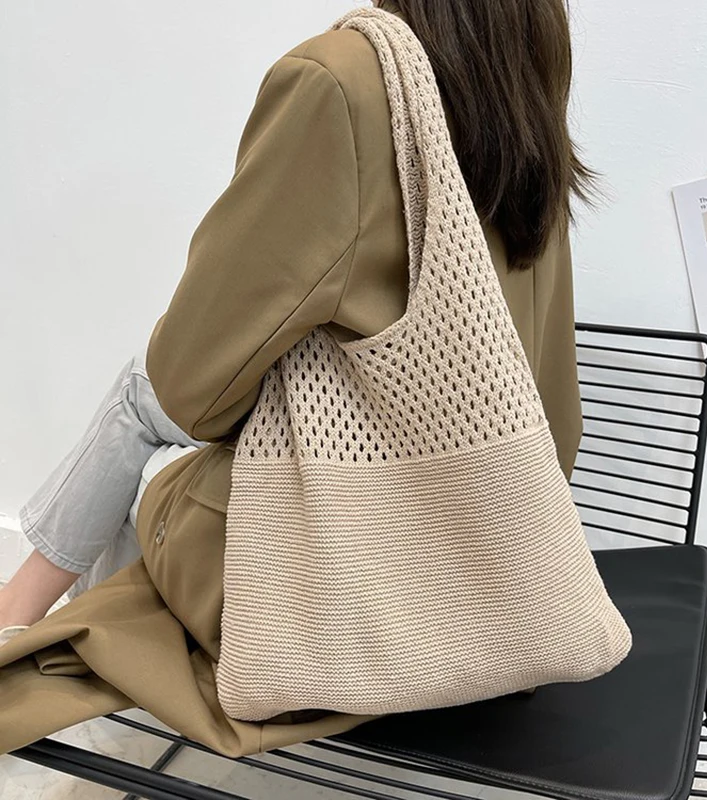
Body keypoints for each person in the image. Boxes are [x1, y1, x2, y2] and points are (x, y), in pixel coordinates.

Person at [0, 0, 590, 755]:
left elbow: (189, 387)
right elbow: (557, 421)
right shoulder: (525, 70)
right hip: (496, 575)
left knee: (140, 398)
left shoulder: (345, 81)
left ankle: (18, 622)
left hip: (333, 593)